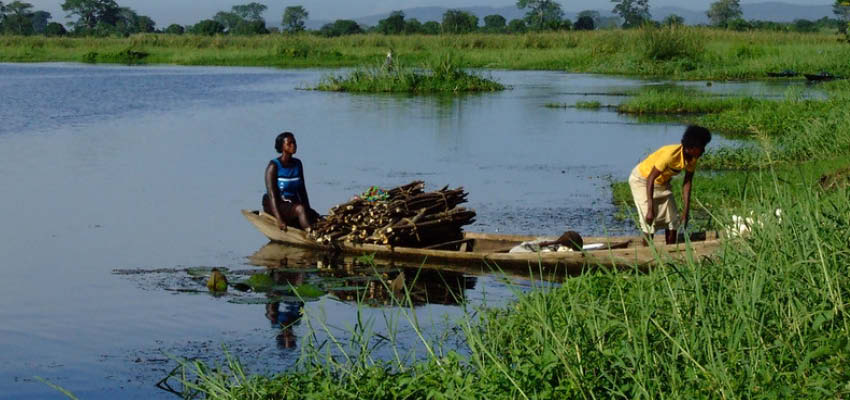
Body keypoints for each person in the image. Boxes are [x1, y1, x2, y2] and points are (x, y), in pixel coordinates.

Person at [629, 125, 711, 245]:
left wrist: (686, 211)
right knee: (649, 222)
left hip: (662, 183)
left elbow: (687, 183)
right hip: (642, 181)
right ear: (690, 147)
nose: (703, 150)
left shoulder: (692, 158)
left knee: (673, 220)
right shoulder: (669, 155)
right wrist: (650, 209)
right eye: (701, 147)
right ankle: (646, 253)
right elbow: (651, 179)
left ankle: (671, 253)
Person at [262, 132, 320, 231]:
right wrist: (279, 219)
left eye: (294, 142)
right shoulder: (273, 166)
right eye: (289, 143)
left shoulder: (298, 163)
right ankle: (312, 236)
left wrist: (308, 210)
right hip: (276, 204)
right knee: (300, 209)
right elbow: (272, 195)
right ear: (282, 146)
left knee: (316, 217)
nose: (293, 145)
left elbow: (302, 190)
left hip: (292, 202)